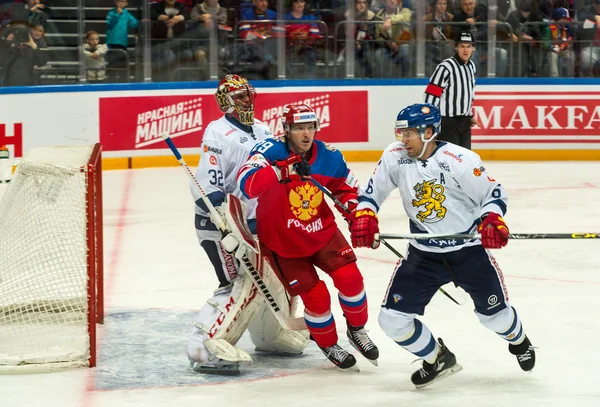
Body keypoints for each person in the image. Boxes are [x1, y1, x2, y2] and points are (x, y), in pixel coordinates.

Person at [349, 103, 535, 387]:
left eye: (409, 132)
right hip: (424, 256)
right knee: (392, 320)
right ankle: (437, 358)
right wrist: (365, 212)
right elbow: (372, 193)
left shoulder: (460, 159)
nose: (403, 139)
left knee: (495, 318)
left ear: (429, 131)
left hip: (467, 253)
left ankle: (520, 342)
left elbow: (493, 194)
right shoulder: (394, 156)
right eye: (400, 132)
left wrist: (492, 219)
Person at [237, 104, 379, 370]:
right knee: (316, 297)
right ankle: (328, 343)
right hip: (282, 241)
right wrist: (282, 172)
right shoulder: (269, 151)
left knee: (351, 279)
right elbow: (246, 183)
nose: (306, 134)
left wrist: (356, 213)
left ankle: (357, 330)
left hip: (321, 231)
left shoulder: (329, 156)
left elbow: (345, 189)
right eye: (299, 128)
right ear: (287, 130)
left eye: (310, 127)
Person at [187, 75, 309, 374]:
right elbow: (208, 183)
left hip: (257, 223)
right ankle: (203, 345)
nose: (248, 101)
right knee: (238, 283)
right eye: (240, 97)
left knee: (275, 279)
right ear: (225, 100)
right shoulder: (216, 132)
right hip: (225, 223)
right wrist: (223, 221)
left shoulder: (262, 129)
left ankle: (269, 336)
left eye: (249, 95)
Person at [424, 31, 479, 150]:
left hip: (464, 122)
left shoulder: (471, 66)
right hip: (447, 122)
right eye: (462, 46)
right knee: (448, 161)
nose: (465, 50)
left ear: (473, 48)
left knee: (464, 159)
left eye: (468, 46)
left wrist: (469, 114)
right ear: (456, 47)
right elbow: (431, 94)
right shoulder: (446, 67)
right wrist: (431, 120)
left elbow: (469, 93)